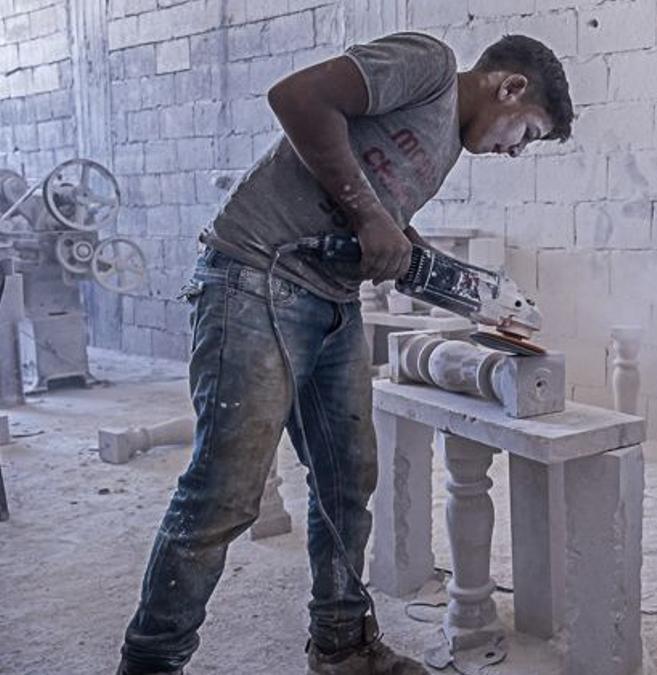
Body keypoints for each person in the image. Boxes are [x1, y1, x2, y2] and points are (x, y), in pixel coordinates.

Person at [116, 32, 573, 675]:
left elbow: (373, 201)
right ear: (511, 87)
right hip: (258, 275)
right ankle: (150, 663)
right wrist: (369, 216)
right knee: (223, 494)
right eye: (524, 133)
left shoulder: (444, 149)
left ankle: (341, 645)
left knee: (346, 483)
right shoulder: (432, 66)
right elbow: (298, 97)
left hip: (331, 301)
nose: (513, 150)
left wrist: (425, 259)